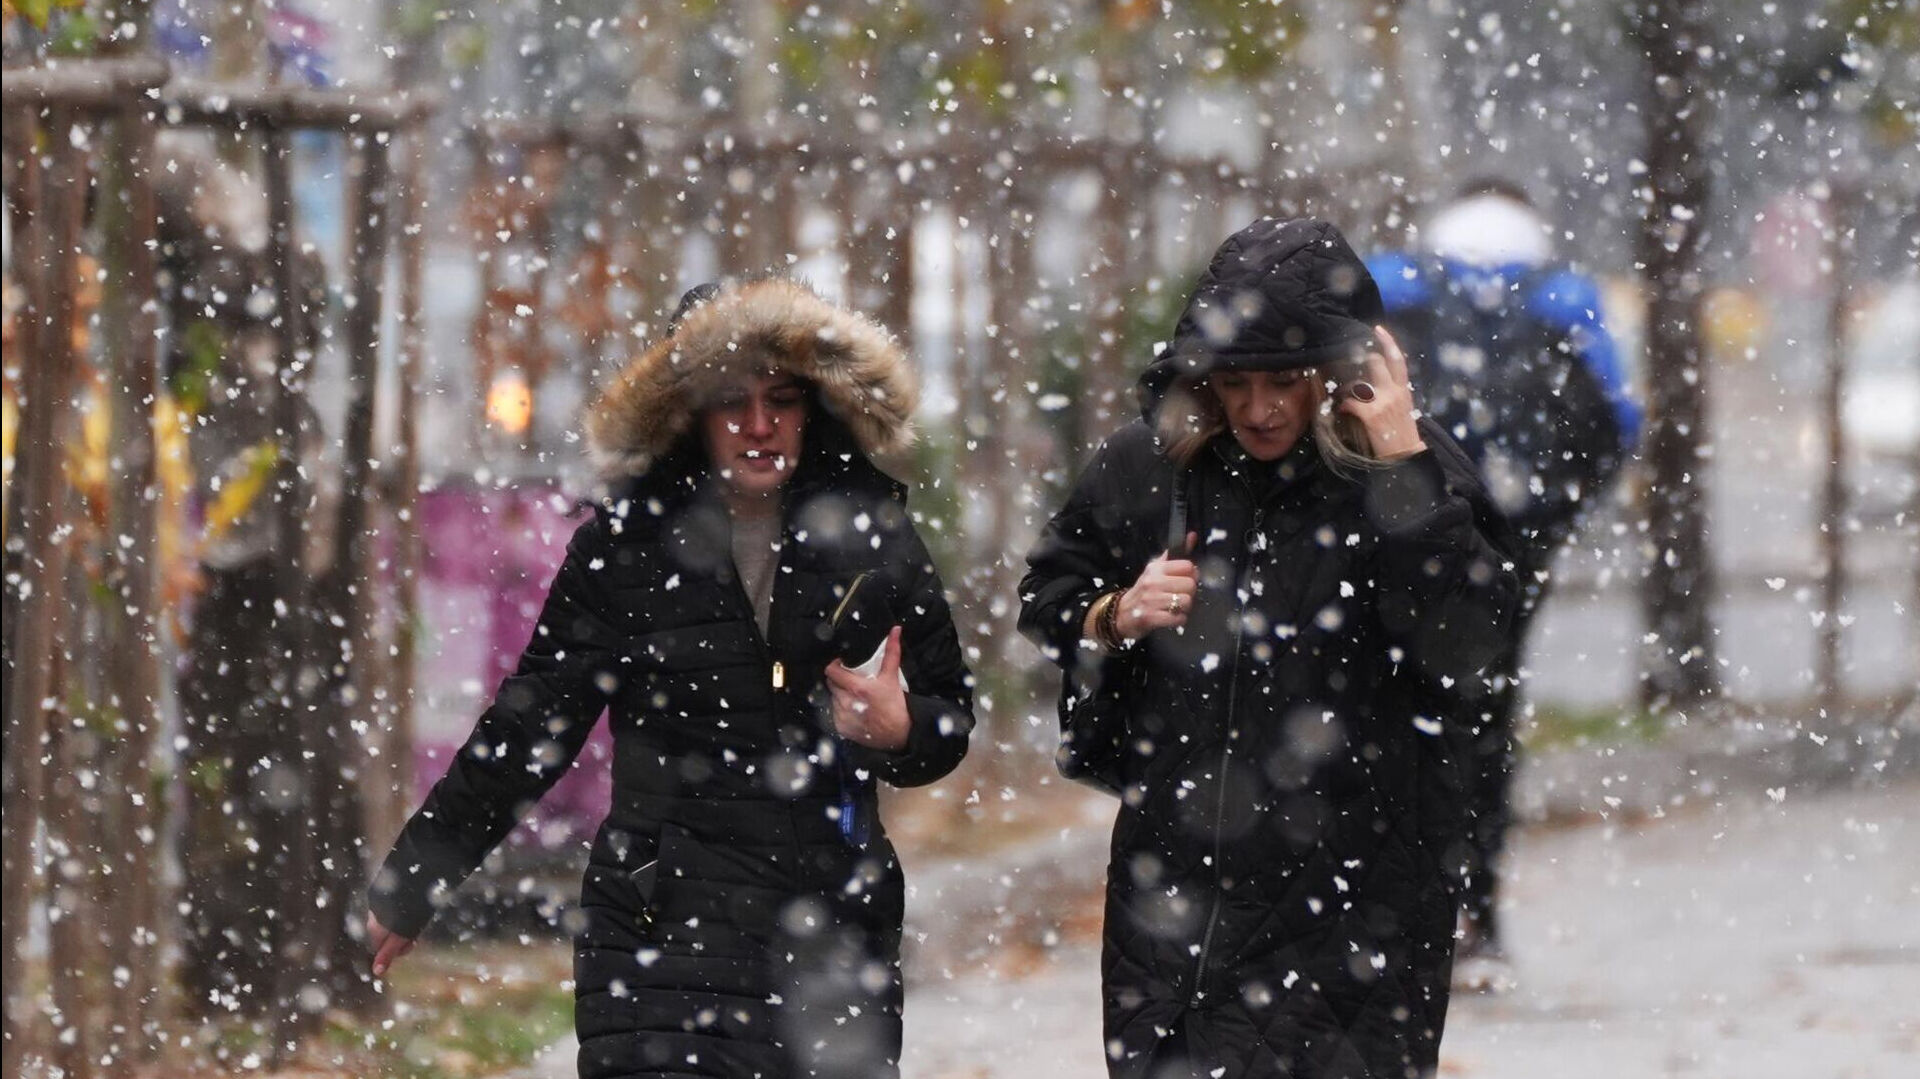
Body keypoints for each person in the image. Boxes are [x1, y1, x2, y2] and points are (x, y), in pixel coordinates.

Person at [365, 278, 975, 1079]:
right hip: (658, 938)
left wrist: (901, 730)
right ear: (687, 410)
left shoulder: (875, 536)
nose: (758, 425)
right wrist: (417, 880)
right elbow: (529, 728)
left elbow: (948, 717)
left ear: (814, 405)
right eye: (732, 401)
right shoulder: (623, 548)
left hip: (828, 940)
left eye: (781, 399)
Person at [1021, 217, 1519, 1079]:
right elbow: (1048, 599)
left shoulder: (1408, 469)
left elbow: (1472, 646)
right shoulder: (1155, 465)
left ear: (1341, 369)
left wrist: (1404, 472)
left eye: (1285, 381)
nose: (1258, 407)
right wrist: (1116, 613)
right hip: (1178, 904)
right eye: (1235, 381)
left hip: (1361, 909)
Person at [1366, 180, 1641, 966]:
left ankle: (1384, 908)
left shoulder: (1393, 280)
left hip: (1401, 526)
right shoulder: (1562, 294)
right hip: (1513, 540)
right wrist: (1550, 522)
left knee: (1383, 707)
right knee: (1484, 717)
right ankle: (1473, 912)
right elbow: (1618, 417)